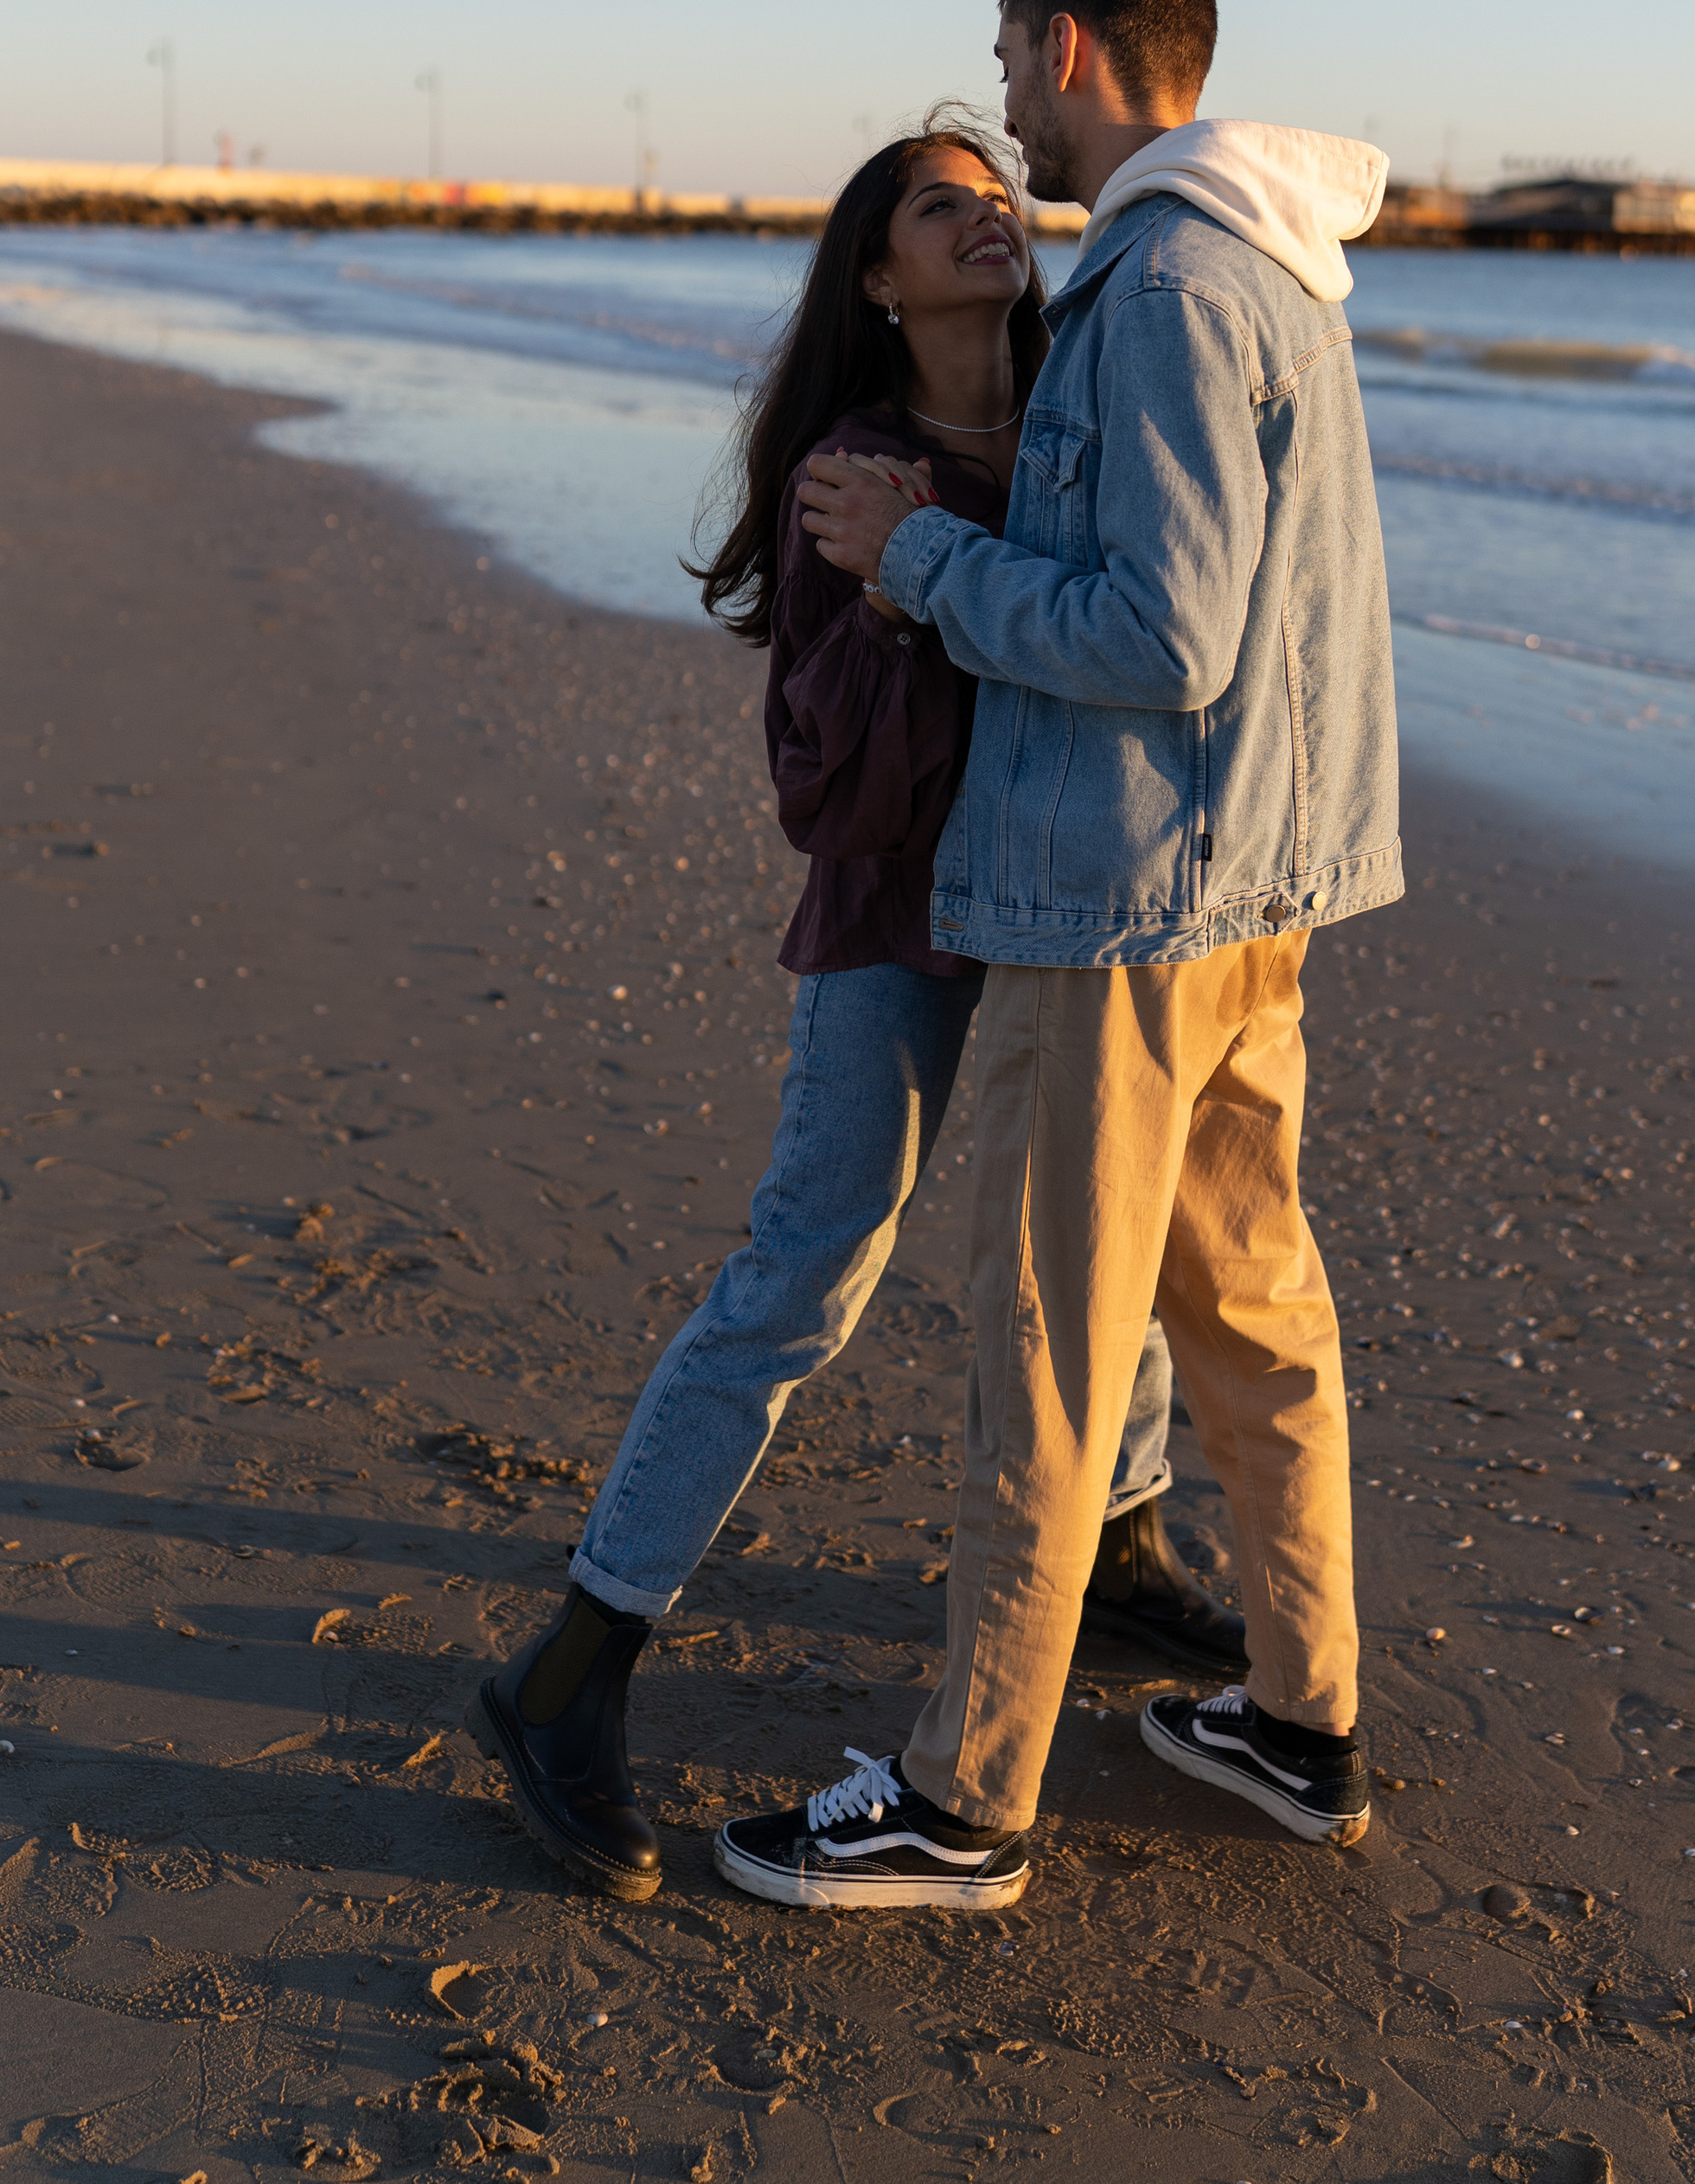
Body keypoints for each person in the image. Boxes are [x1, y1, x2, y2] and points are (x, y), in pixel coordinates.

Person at [464, 117, 1242, 1906]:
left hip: (1062, 915)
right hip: (897, 927)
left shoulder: (1072, 424)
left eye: (997, 194)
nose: (987, 216)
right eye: (936, 203)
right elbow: (832, 794)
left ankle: (1112, 1546)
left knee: (1105, 1252)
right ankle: (565, 1670)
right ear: (877, 276)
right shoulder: (849, 476)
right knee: (802, 1276)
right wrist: (905, 590)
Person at [713, 0, 1402, 1913]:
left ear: (1070, 48)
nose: (1004, 105)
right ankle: (1295, 1720)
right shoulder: (1277, 261)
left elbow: (1161, 631)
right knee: (1256, 1314)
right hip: (1255, 882)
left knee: (1046, 1336)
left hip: (1123, 903)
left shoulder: (1172, 282)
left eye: (1009, 62)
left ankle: (965, 1796)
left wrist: (921, 554)